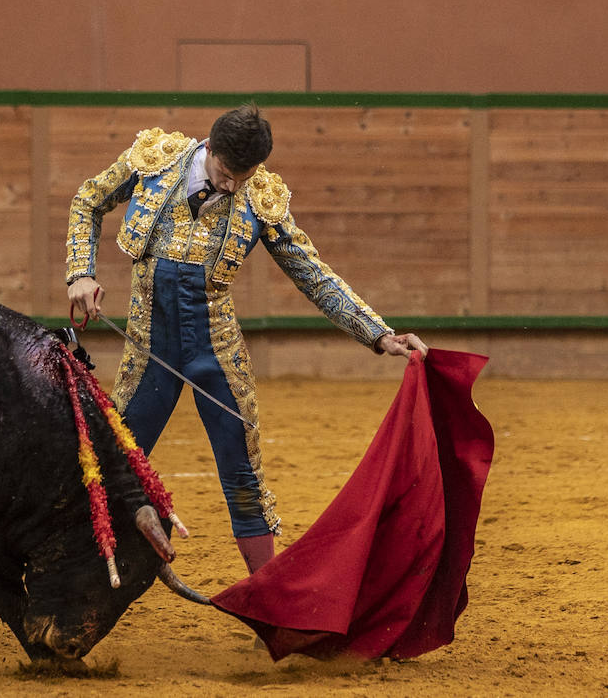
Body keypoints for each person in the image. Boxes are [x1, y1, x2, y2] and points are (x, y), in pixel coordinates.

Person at [65, 106, 426, 576]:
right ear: (208, 148)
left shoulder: (261, 197)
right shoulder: (155, 158)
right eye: (225, 172)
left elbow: (313, 275)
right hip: (148, 349)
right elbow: (87, 200)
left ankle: (266, 593)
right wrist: (81, 272)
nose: (232, 185)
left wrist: (378, 335)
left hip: (216, 352)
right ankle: (67, 575)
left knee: (242, 475)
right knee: (111, 462)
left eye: (245, 175)